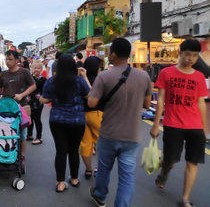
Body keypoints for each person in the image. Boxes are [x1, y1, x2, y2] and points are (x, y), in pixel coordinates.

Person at [88, 38, 152, 207]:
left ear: (114, 55)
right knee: (127, 177)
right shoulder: (144, 76)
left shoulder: (104, 76)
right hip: (131, 136)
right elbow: (146, 104)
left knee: (104, 169)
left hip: (108, 134)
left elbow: (91, 103)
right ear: (129, 54)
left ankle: (100, 196)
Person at [150, 39, 207, 207]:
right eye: (188, 54)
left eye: (195, 56)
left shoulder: (199, 76)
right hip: (173, 123)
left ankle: (185, 198)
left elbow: (201, 102)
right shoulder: (166, 73)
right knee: (171, 161)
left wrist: (204, 128)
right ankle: (164, 173)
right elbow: (160, 100)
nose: (190, 59)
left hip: (195, 125)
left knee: (192, 162)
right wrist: (155, 125)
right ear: (180, 53)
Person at [39, 54, 91, 192]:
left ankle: (60, 183)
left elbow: (44, 99)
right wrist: (84, 77)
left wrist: (42, 98)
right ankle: (74, 179)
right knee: (74, 150)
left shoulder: (52, 81)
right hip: (77, 121)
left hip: (57, 121)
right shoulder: (79, 81)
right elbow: (89, 96)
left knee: (61, 151)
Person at [0, 50, 36, 166]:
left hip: (21, 107)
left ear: (17, 60)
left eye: (10, 59)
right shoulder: (3, 74)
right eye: (6, 59)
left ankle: (22, 156)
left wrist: (22, 95)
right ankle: (5, 153)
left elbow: (33, 86)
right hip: (6, 109)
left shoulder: (24, 72)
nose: (8, 61)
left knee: (22, 133)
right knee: (6, 133)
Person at [79, 56, 102, 179]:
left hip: (82, 115)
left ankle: (88, 169)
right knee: (100, 142)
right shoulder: (100, 80)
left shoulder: (79, 79)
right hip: (97, 114)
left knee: (85, 143)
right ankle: (99, 168)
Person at [27, 62, 46, 145]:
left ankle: (39, 137)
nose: (36, 70)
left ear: (41, 69)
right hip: (29, 101)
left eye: (38, 68)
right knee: (29, 118)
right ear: (32, 68)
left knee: (37, 119)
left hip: (38, 102)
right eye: (35, 68)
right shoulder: (29, 78)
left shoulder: (43, 79)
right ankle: (30, 135)